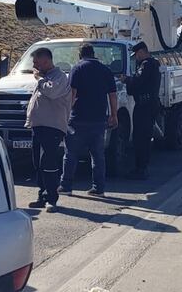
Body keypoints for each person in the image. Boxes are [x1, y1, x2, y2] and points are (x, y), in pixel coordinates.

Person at [59, 44, 118, 196]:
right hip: (99, 120)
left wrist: (65, 114)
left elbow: (72, 93)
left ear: (80, 55)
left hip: (78, 118)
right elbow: (112, 94)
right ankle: (98, 188)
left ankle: (66, 186)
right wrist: (114, 115)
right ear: (93, 54)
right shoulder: (105, 70)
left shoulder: (77, 68)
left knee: (70, 154)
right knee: (98, 155)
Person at [25, 47, 72, 210]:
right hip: (39, 126)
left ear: (46, 61)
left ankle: (52, 197)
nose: (34, 66)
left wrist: (39, 79)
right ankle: (42, 194)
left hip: (52, 127)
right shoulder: (45, 78)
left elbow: (51, 92)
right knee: (38, 162)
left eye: (36, 62)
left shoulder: (59, 77)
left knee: (48, 162)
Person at [121, 41, 160, 180]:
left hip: (145, 106)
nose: (136, 57)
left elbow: (138, 81)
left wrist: (126, 80)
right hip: (148, 105)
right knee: (142, 137)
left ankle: (141, 169)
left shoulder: (147, 64)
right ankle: (141, 167)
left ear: (142, 52)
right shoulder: (152, 64)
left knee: (141, 138)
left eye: (136, 54)